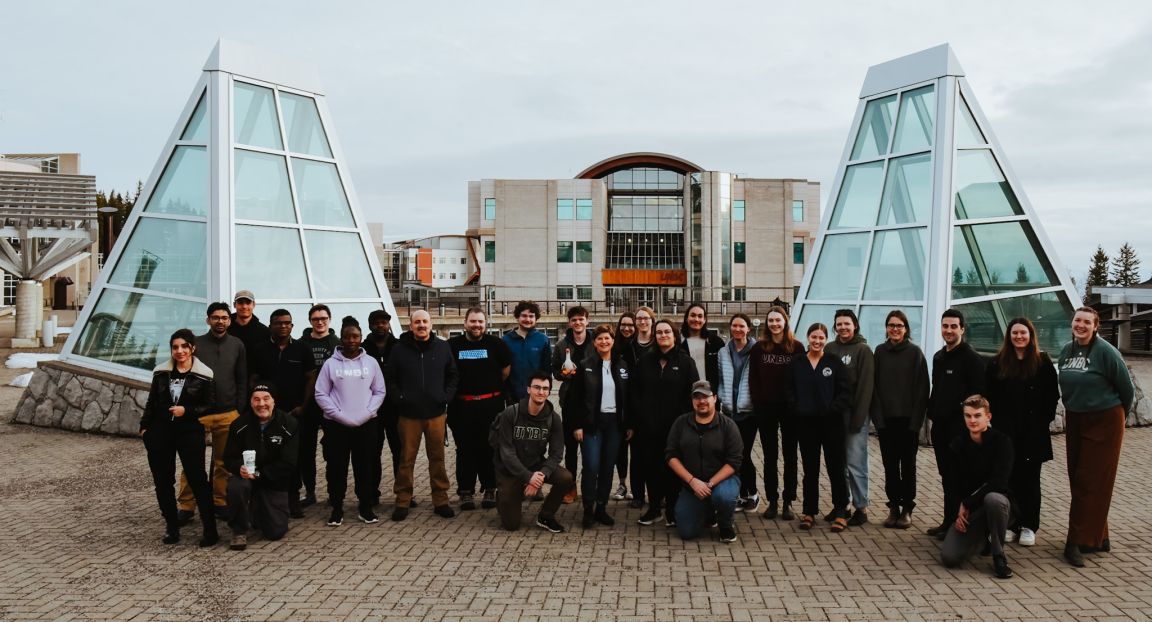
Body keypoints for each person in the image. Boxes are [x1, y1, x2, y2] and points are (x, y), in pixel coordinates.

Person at [1058, 306, 1135, 567]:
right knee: (1077, 475)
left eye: (1086, 322)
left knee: (1090, 480)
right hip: (1077, 418)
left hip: (1105, 419)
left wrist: (1119, 419)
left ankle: (1075, 541)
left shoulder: (1106, 352)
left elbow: (1126, 388)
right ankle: (1099, 536)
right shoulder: (1066, 351)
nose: (1080, 325)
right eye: (1077, 320)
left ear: (1096, 326)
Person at [985, 317, 1059, 548]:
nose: (1019, 337)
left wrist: (1041, 422)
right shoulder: (998, 364)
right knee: (1007, 480)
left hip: (1032, 434)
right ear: (1009, 336)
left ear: (1030, 336)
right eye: (1015, 333)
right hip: (1005, 434)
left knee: (1030, 481)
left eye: (1023, 333)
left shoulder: (1042, 363)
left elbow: (1051, 397)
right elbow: (989, 396)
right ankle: (1011, 524)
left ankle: (1029, 525)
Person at [140, 329, 219, 547]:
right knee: (163, 482)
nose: (180, 351)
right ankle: (172, 527)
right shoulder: (161, 372)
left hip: (189, 431)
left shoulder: (204, 374)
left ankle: (210, 530)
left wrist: (188, 410)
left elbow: (210, 404)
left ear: (193, 348)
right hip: (160, 431)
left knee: (197, 480)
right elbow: (152, 402)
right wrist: (144, 428)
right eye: (175, 347)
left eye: (184, 346)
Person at [176, 302, 247, 525]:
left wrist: (239, 408)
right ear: (208, 320)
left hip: (228, 413)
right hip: (199, 413)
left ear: (230, 320)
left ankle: (220, 502)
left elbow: (242, 378)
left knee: (223, 463)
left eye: (224, 318)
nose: (220, 321)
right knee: (192, 462)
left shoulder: (237, 345)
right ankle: (186, 506)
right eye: (215, 317)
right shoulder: (196, 344)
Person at [386, 310, 460, 521]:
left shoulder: (443, 347)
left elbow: (453, 374)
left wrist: (445, 396)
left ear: (431, 324)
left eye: (425, 321)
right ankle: (403, 501)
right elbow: (390, 378)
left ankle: (441, 500)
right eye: (417, 322)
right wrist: (399, 398)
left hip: (436, 415)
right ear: (410, 325)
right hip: (408, 416)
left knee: (437, 459)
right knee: (406, 460)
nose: (421, 325)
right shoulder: (399, 350)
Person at [314, 317, 386, 526]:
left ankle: (365, 506)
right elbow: (320, 393)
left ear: (361, 338)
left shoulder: (371, 362)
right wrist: (338, 415)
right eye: (347, 337)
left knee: (365, 466)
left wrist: (367, 413)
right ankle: (337, 507)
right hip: (337, 425)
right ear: (341, 339)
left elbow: (379, 391)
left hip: (366, 424)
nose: (351, 340)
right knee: (337, 467)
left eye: (355, 336)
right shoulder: (330, 364)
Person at [248, 308, 316, 518]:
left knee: (294, 458)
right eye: (278, 323)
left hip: (294, 414)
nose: (283, 326)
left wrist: (303, 406)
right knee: (267, 456)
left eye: (287, 323)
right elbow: (253, 379)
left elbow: (310, 379)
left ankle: (293, 499)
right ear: (271, 326)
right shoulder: (259, 350)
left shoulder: (302, 349)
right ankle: (268, 498)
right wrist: (260, 406)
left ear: (292, 326)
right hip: (266, 415)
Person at [633, 319, 699, 527]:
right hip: (648, 427)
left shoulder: (686, 362)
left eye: (667, 332)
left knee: (672, 468)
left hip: (676, 427)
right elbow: (635, 393)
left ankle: (671, 509)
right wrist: (637, 420)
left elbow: (693, 394)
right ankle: (654, 509)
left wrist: (685, 421)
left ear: (674, 335)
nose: (663, 335)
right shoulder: (644, 361)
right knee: (650, 467)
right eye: (659, 332)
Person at [940, 395, 1015, 580]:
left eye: (977, 415)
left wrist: (967, 502)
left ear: (988, 417)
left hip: (999, 505)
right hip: (970, 511)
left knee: (994, 499)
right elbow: (952, 485)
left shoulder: (1002, 442)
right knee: (949, 558)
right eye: (968, 416)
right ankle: (982, 540)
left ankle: (998, 554)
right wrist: (957, 512)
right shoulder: (958, 444)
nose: (972, 420)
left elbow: (998, 482)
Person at [926, 309, 986, 540]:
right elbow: (937, 388)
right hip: (941, 428)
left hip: (960, 431)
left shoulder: (971, 358)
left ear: (962, 329)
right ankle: (949, 521)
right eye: (945, 326)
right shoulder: (939, 357)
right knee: (947, 476)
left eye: (953, 326)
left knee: (960, 478)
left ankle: (963, 524)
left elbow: (979, 394)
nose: (948, 330)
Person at [492, 371, 574, 533]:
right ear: (528, 389)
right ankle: (503, 494)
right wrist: (528, 477)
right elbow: (506, 452)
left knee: (566, 477)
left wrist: (540, 475)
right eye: (537, 387)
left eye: (545, 388)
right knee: (511, 525)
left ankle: (546, 516)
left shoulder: (553, 418)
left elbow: (556, 453)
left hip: (535, 464)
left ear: (550, 391)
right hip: (509, 469)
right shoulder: (511, 413)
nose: (541, 392)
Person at [448, 307, 511, 510]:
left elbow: (505, 371)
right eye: (473, 321)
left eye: (480, 322)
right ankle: (465, 492)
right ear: (465, 323)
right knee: (465, 450)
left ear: (485, 324)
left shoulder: (496, 345)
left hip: (490, 406)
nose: (477, 325)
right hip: (462, 406)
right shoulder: (452, 346)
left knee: (489, 448)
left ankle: (490, 488)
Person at [790, 323, 851, 532]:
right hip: (806, 425)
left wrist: (832, 410)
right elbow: (789, 390)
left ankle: (841, 511)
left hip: (832, 424)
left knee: (836, 468)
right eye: (813, 337)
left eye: (821, 338)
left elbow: (845, 392)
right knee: (810, 469)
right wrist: (798, 409)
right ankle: (809, 512)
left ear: (826, 339)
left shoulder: (833, 362)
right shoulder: (797, 362)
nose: (817, 341)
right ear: (808, 338)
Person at [222, 383, 300, 550]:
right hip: (245, 478)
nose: (261, 404)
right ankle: (238, 531)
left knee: (275, 532)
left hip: (273, 480)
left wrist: (259, 474)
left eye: (266, 399)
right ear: (250, 403)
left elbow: (289, 463)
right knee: (236, 486)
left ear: (274, 401)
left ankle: (256, 510)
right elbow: (228, 458)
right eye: (256, 399)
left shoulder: (289, 423)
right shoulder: (239, 425)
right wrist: (238, 468)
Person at [871, 310, 929, 530]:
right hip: (886, 422)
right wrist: (878, 421)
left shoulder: (915, 353)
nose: (895, 329)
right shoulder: (879, 352)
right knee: (890, 467)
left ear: (906, 329)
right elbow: (873, 388)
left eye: (899, 325)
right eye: (891, 325)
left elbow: (923, 389)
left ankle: (907, 508)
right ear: (886, 328)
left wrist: (916, 424)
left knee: (909, 467)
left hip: (908, 423)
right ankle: (893, 507)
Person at [666, 381, 743, 542]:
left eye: (705, 397)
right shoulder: (681, 423)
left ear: (714, 398)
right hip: (693, 486)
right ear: (692, 401)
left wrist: (710, 484)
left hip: (723, 481)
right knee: (686, 532)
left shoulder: (728, 426)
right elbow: (671, 456)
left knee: (724, 496)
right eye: (697, 397)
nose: (701, 401)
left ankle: (726, 526)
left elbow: (734, 461)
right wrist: (692, 481)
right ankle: (707, 511)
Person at [748, 306, 804, 520]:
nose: (774, 324)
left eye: (778, 320)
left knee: (790, 456)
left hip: (790, 409)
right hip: (766, 408)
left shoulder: (797, 348)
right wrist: (757, 402)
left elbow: (802, 378)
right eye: (771, 320)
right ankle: (772, 500)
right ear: (766, 323)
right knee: (770, 456)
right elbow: (753, 378)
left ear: (785, 322)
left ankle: (788, 500)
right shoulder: (759, 348)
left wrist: (798, 404)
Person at [575, 324, 631, 529]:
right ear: (594, 342)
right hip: (592, 424)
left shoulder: (622, 365)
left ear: (613, 341)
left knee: (608, 467)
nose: (604, 342)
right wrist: (577, 426)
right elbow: (576, 399)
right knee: (591, 466)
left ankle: (601, 507)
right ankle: (588, 508)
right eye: (600, 339)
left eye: (607, 338)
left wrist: (629, 424)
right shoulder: (585, 365)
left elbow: (628, 398)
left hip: (615, 424)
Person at [824, 309, 875, 526]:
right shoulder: (830, 349)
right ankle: (841, 505)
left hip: (855, 416)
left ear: (855, 325)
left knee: (855, 463)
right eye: (839, 324)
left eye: (847, 323)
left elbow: (866, 387)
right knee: (838, 463)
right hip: (834, 417)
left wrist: (858, 419)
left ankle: (861, 507)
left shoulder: (863, 350)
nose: (843, 327)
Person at [297, 304, 341, 508]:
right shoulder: (300, 344)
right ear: (310, 321)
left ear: (329, 319)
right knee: (305, 451)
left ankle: (334, 493)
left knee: (332, 451)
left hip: (332, 405)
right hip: (308, 407)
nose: (320, 322)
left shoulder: (338, 345)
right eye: (315, 319)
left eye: (323, 318)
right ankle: (310, 491)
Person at [361, 309, 404, 508]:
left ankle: (403, 493)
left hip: (395, 409)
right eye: (376, 322)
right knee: (371, 453)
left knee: (400, 452)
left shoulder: (399, 347)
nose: (380, 325)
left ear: (388, 324)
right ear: (370, 325)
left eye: (384, 322)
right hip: (371, 411)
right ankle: (372, 492)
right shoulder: (363, 349)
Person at [716, 313, 758, 512]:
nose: (738, 329)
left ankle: (752, 493)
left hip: (748, 412)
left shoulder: (756, 351)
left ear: (748, 329)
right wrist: (721, 398)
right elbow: (721, 378)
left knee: (743, 454)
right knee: (732, 454)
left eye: (742, 326)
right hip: (729, 411)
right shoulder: (724, 352)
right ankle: (740, 495)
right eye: (734, 326)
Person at [551, 305, 591, 504]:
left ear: (587, 321)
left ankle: (588, 486)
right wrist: (562, 374)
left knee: (589, 447)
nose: (578, 323)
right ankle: (571, 487)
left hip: (591, 401)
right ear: (569, 323)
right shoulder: (561, 345)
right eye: (574, 320)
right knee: (571, 448)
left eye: (581, 319)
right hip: (569, 400)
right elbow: (555, 370)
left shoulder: (595, 342)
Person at [612, 312, 639, 504]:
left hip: (636, 404)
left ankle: (639, 487)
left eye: (631, 325)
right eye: (624, 325)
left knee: (637, 451)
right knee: (620, 449)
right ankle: (622, 484)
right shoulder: (615, 347)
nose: (627, 328)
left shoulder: (639, 347)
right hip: (617, 404)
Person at [503, 300, 551, 403]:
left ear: (536, 318)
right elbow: (502, 370)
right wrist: (506, 393)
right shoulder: (506, 340)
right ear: (517, 317)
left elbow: (547, 370)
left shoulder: (543, 340)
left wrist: (545, 392)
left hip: (536, 396)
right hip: (512, 397)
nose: (527, 319)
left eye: (531, 316)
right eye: (524, 316)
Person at [679, 303, 725, 392]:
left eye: (700, 316)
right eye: (693, 315)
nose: (696, 319)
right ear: (686, 318)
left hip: (710, 395)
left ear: (704, 320)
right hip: (686, 395)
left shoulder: (716, 342)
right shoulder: (678, 343)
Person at [228, 290, 270, 371]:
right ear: (234, 305)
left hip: (254, 379)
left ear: (253, 304)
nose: (244, 306)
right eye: (240, 303)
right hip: (229, 377)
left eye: (248, 303)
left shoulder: (264, 332)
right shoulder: (225, 328)